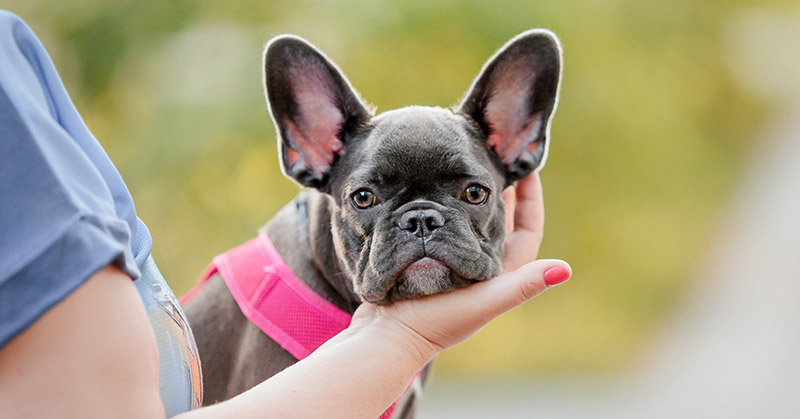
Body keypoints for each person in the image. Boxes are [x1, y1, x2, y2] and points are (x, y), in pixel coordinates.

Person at [0, 10, 571, 418]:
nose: (422, 225)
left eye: (470, 195)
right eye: (369, 200)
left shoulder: (378, 296)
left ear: (517, 145)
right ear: (312, 152)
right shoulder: (293, 313)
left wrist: (408, 338)